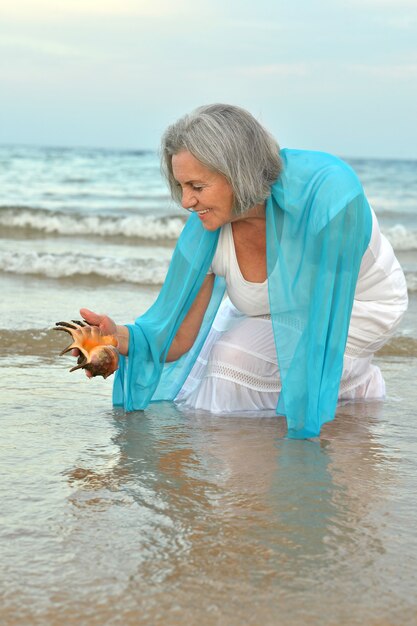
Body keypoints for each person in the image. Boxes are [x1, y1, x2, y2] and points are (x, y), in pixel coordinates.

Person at [78, 104, 408, 438]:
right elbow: (177, 337)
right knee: (200, 369)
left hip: (358, 306)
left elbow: (319, 321)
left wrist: (305, 431)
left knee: (230, 360)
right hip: (275, 311)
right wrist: (114, 337)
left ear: (238, 172)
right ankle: (239, 454)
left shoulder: (327, 200)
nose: (186, 202)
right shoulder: (205, 233)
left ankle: (355, 386)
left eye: (197, 186)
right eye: (181, 187)